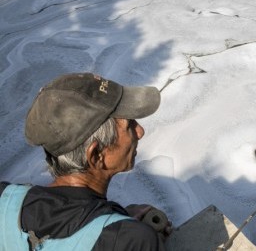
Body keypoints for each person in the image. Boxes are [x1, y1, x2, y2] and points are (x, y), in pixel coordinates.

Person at [0, 73, 170, 250]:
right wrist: (132, 236)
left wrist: (118, 221)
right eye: (129, 125)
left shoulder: (4, 201)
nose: (140, 132)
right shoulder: (131, 241)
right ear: (96, 155)